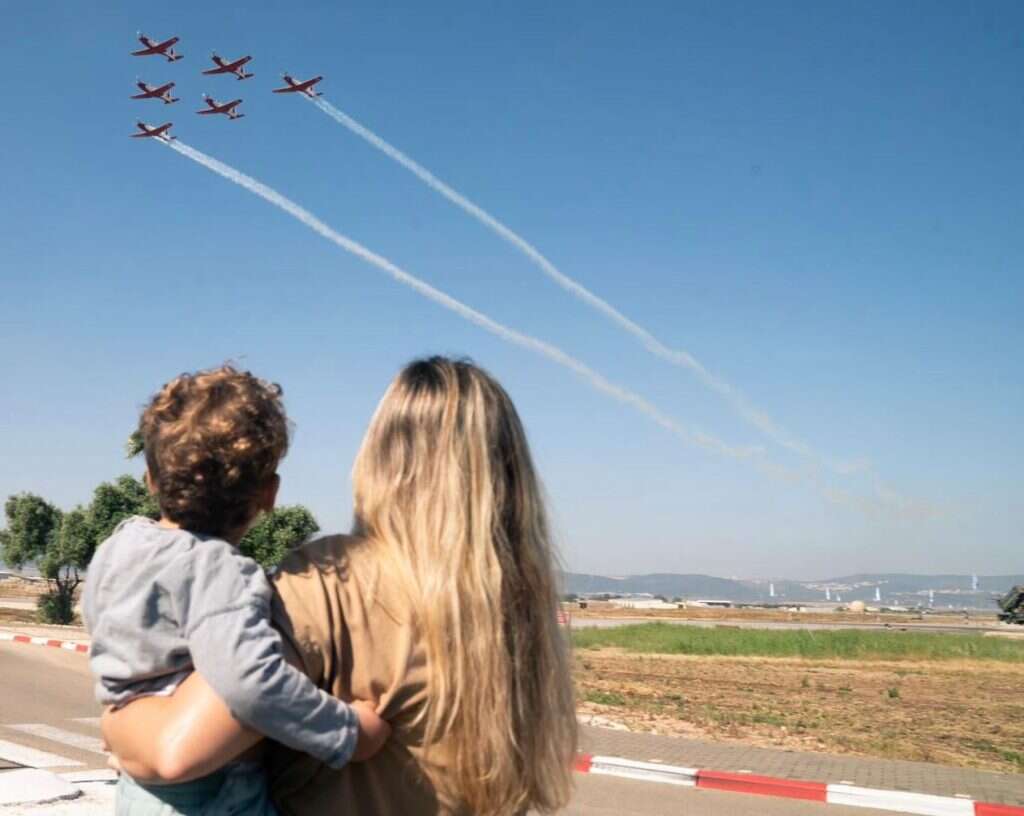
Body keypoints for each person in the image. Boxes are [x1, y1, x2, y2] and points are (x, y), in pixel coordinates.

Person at [103, 356, 578, 816]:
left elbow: (174, 752)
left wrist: (115, 722)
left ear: (381, 460)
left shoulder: (328, 582)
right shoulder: (521, 617)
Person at [84, 366, 389, 814]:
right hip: (216, 795)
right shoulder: (219, 571)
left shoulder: (117, 547)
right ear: (269, 494)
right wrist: (348, 731)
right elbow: (249, 681)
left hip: (136, 791)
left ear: (150, 479)